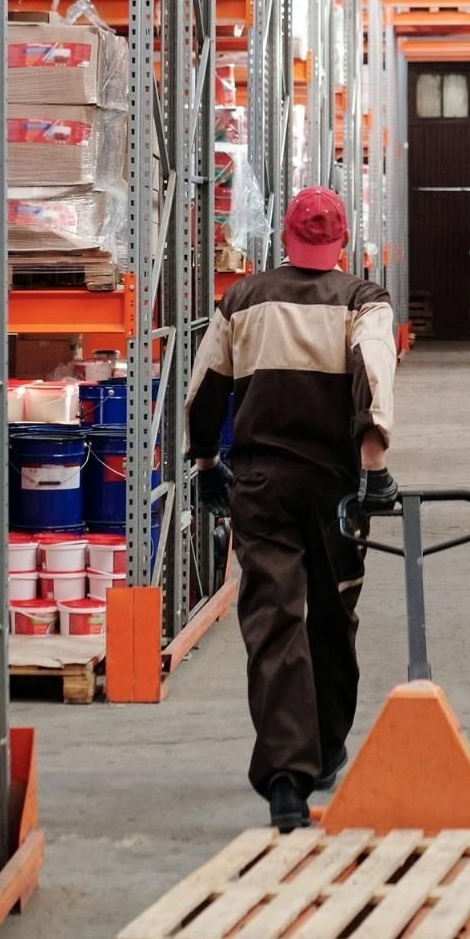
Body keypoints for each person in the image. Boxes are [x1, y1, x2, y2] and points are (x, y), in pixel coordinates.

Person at [186, 186, 400, 830]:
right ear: (341, 241)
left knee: (274, 618)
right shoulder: (364, 300)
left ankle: (286, 776)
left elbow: (206, 387)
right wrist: (375, 466)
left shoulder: (241, 299)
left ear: (285, 236)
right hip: (337, 486)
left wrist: (203, 462)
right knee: (333, 613)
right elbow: (373, 376)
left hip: (261, 483)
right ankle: (327, 747)